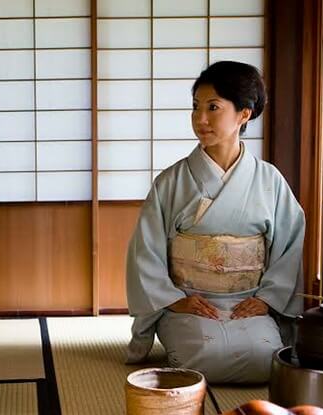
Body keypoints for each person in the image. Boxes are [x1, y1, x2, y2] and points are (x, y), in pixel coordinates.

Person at [125, 61, 305, 383]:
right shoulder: (171, 182)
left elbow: (289, 246)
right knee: (202, 360)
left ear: (244, 114)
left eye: (213, 107)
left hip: (249, 300)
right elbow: (146, 250)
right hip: (187, 301)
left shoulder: (270, 181)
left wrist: (266, 299)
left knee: (268, 360)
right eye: (195, 107)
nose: (200, 119)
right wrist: (175, 300)